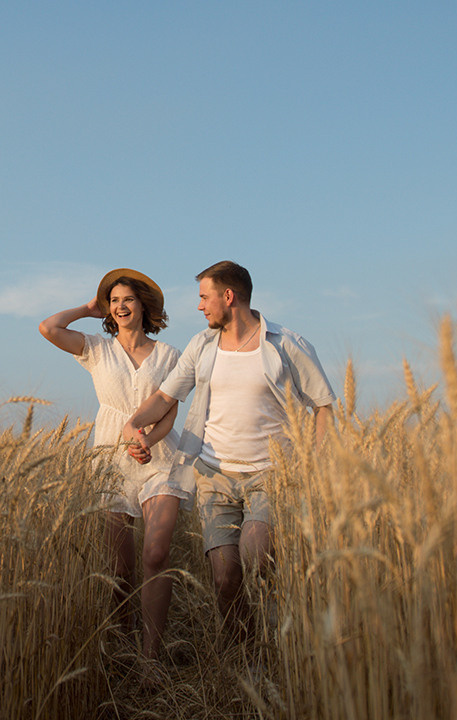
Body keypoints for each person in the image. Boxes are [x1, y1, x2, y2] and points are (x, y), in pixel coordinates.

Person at [124, 260, 334, 643]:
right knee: (224, 578)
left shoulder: (286, 345)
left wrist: (314, 464)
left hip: (270, 474)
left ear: (228, 296)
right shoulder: (202, 346)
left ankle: (278, 636)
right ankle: (245, 653)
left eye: (204, 297)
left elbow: (323, 406)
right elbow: (165, 397)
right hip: (214, 477)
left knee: (255, 557)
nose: (199, 306)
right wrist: (135, 424)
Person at [39, 268, 190, 662]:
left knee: (155, 554)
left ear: (143, 305)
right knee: (119, 568)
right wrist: (88, 308)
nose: (121, 306)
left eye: (128, 299)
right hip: (110, 459)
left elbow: (169, 412)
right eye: (114, 300)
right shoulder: (96, 349)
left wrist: (147, 442)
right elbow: (49, 328)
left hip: (159, 457)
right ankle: (122, 644)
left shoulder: (170, 355)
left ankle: (150, 656)